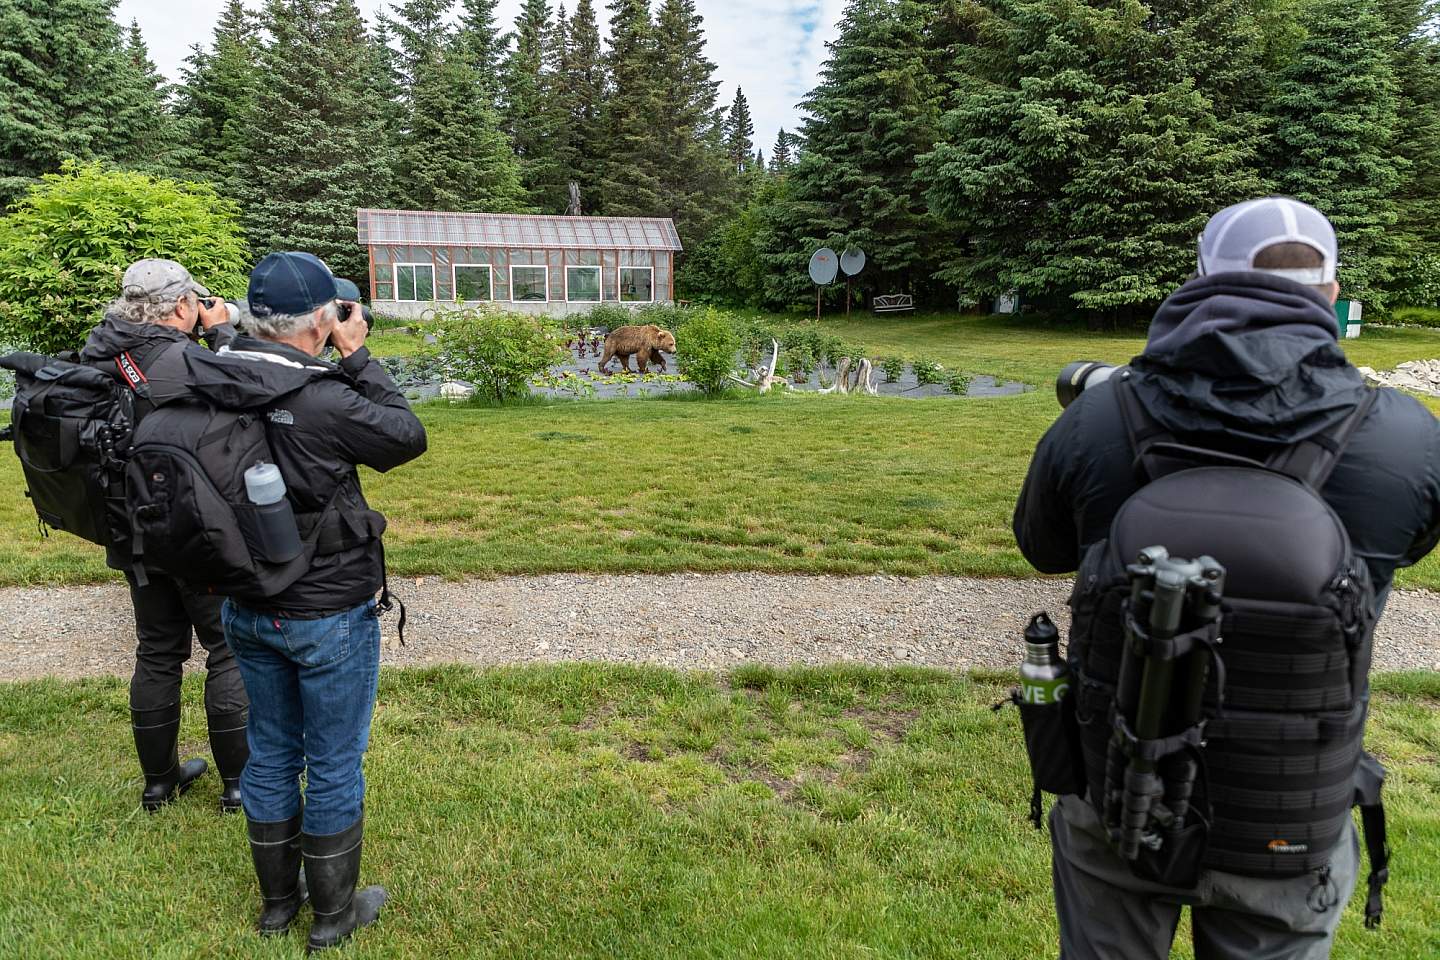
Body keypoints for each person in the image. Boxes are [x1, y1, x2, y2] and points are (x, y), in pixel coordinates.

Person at [1013, 197, 1440, 959]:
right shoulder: (1406, 437)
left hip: (1118, 785)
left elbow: (1040, 547)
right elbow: (1408, 547)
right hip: (1291, 808)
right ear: (1332, 296)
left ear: (1201, 281)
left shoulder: (1103, 415)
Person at [211, 252, 426, 949]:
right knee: (333, 759)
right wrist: (358, 355)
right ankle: (330, 917)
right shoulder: (325, 397)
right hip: (327, 605)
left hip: (245, 602)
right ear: (321, 320)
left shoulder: (211, 380)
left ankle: (278, 906)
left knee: (271, 753)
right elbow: (404, 437)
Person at [79, 259, 251, 814]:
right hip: (190, 529)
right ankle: (238, 787)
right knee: (226, 650)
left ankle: (159, 783)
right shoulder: (187, 361)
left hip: (129, 527)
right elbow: (243, 400)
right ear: (181, 306)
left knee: (157, 649)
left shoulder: (104, 352)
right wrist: (223, 332)